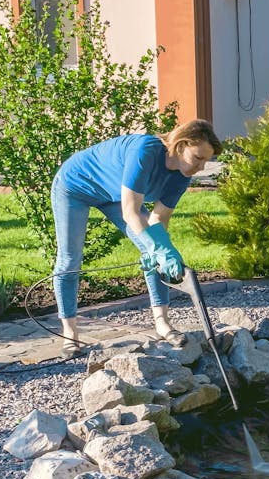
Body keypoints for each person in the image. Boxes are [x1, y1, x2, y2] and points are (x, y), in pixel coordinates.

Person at [50, 119, 222, 356]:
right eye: (198, 158)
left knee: (152, 250)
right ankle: (70, 334)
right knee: (70, 260)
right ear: (181, 145)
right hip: (75, 186)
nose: (201, 167)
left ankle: (162, 323)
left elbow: (158, 221)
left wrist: (161, 249)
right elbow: (130, 212)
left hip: (113, 194)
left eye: (206, 161)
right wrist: (157, 248)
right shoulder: (145, 151)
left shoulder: (182, 176)